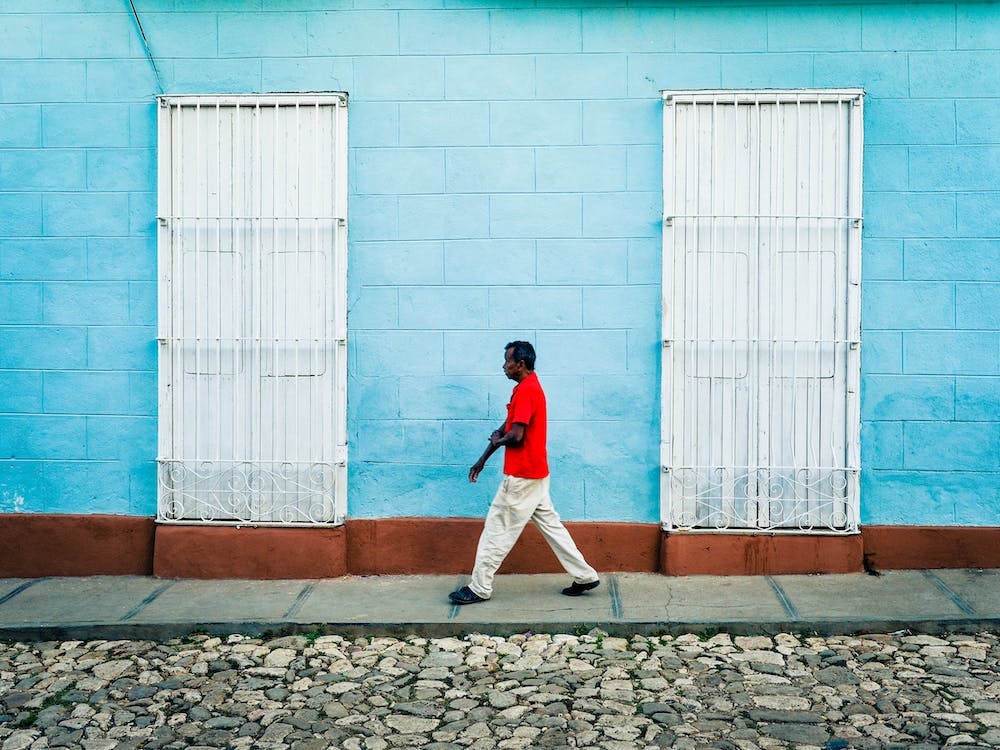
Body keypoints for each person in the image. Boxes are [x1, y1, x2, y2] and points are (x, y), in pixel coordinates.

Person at [449, 341, 600, 605]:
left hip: (521, 477)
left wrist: (498, 441)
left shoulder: (527, 391)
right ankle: (585, 575)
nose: (503, 365)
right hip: (536, 474)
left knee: (497, 530)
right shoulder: (527, 388)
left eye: (507, 360)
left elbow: (515, 436)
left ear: (520, 364)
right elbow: (507, 427)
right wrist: (483, 458)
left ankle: (479, 587)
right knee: (552, 527)